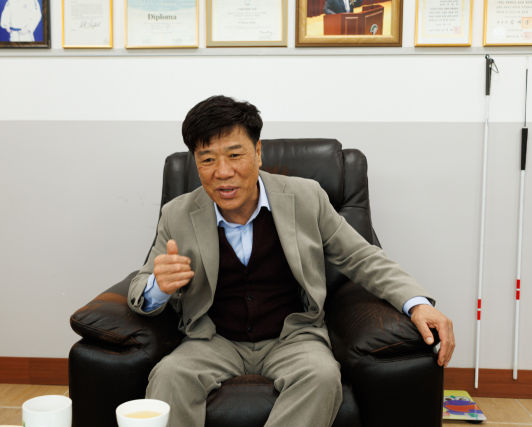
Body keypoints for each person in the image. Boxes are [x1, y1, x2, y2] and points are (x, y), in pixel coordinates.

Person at [127, 95, 456, 427]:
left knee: (322, 377)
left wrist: (416, 303)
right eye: (207, 159)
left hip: (292, 336)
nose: (223, 172)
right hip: (212, 339)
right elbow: (142, 287)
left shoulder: (306, 197)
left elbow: (361, 255)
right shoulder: (177, 214)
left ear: (258, 152)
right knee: (169, 377)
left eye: (235, 155)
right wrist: (160, 287)